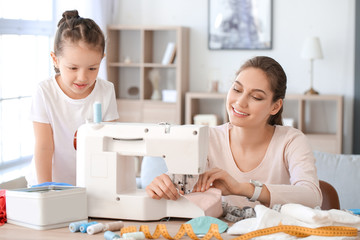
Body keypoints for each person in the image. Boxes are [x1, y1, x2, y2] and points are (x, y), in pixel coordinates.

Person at [146, 56, 322, 209]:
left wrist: (241, 188)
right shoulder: (207, 139)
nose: (240, 102)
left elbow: (312, 196)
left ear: (275, 106)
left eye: (256, 97)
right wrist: (162, 185)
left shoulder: (291, 141)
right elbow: (181, 180)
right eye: (237, 89)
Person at [25, 10, 119, 186]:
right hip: (48, 181)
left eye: (92, 68)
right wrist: (46, 190)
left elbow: (109, 145)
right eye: (73, 68)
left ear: (102, 59)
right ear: (55, 59)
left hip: (89, 183)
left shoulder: (106, 91)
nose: (83, 77)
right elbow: (44, 147)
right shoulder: (45, 92)